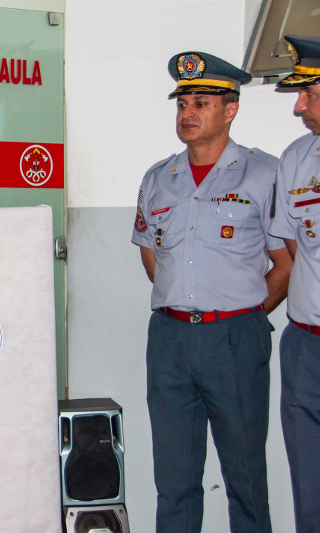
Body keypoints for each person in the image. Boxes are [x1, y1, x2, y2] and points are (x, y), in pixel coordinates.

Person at [131, 53, 292, 533]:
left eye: (201, 102)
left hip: (234, 340)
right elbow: (151, 255)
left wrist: (239, 314)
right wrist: (189, 302)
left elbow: (285, 264)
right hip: (170, 341)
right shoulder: (158, 177)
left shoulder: (265, 174)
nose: (188, 113)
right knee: (174, 480)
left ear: (231, 109)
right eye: (182, 102)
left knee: (244, 478)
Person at [267, 34, 320, 533]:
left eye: (311, 93)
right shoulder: (297, 159)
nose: (299, 106)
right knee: (309, 485)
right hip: (305, 345)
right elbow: (289, 246)